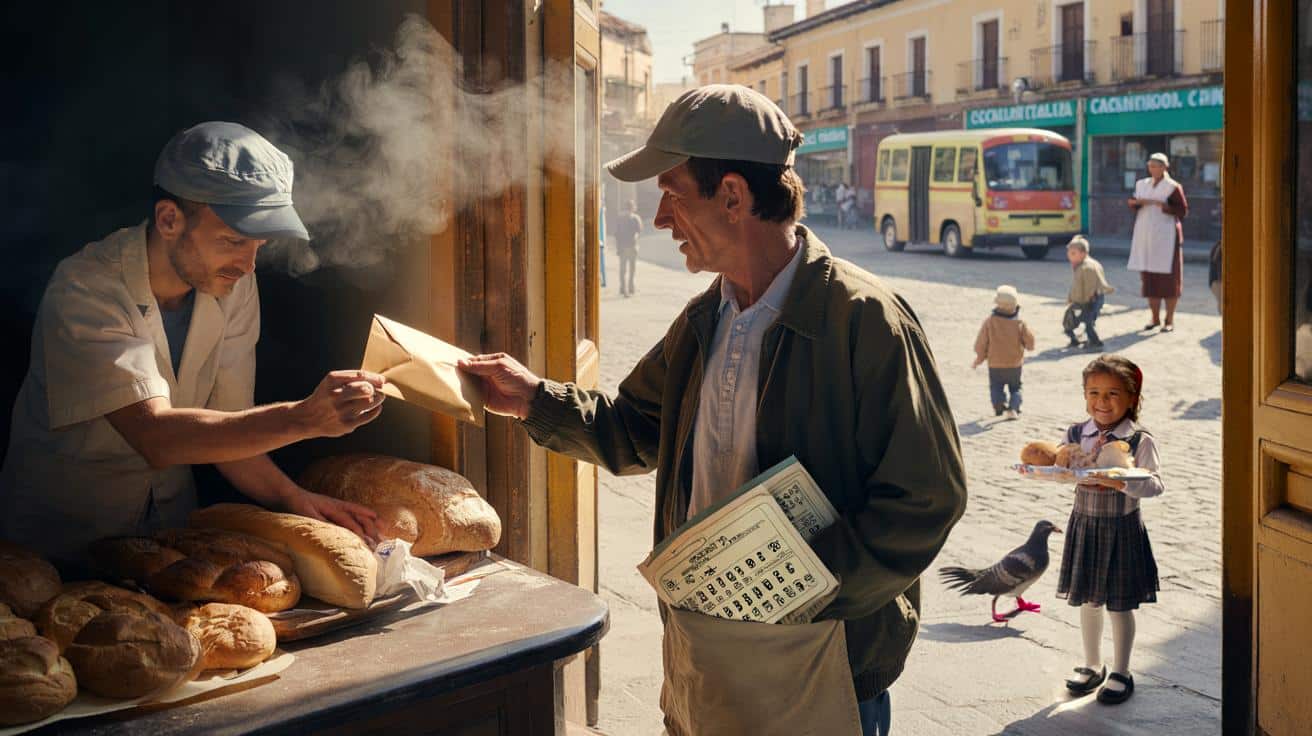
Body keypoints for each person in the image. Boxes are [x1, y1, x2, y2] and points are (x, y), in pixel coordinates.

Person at [458, 84, 967, 736]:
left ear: (732, 195)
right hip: (703, 653)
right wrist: (534, 398)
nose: (660, 218)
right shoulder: (703, 319)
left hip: (819, 657)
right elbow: (633, 430)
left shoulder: (863, 320)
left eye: (672, 194)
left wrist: (804, 591)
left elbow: (926, 498)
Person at [0, 122, 384, 570]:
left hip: (169, 542)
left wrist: (293, 498)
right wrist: (302, 418)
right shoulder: (85, 288)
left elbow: (232, 428)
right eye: (233, 240)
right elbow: (156, 438)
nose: (248, 264)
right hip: (60, 547)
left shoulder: (232, 282)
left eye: (258, 244)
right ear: (169, 220)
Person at [1041, 355, 1163, 706]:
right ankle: (1093, 664)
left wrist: (1121, 482)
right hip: (1085, 525)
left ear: (1132, 398)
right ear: (1084, 395)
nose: (1102, 402)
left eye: (1112, 393)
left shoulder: (1138, 440)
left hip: (1122, 529)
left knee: (1119, 605)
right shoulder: (1075, 435)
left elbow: (1155, 485)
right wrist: (1058, 470)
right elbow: (1062, 472)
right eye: (1093, 392)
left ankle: (1121, 671)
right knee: (1089, 600)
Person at [1126, 152, 1188, 333]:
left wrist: (1165, 207)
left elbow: (1182, 210)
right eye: (1150, 166)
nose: (1152, 169)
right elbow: (1133, 202)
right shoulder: (1142, 184)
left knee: (1169, 281)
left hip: (1167, 237)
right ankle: (1154, 317)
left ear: (1164, 167)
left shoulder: (1172, 187)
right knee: (1150, 280)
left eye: (1156, 166)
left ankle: (1169, 319)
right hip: (1146, 236)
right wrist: (1137, 203)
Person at [972, 285, 1035, 420]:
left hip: (995, 364)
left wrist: (979, 357)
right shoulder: (1019, 323)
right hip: (1014, 364)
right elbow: (1030, 342)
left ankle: (998, 404)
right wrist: (1029, 346)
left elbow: (982, 342)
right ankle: (1013, 408)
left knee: (996, 386)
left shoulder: (990, 322)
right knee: (1016, 388)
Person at [1065, 235, 1115, 350]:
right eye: (1069, 253)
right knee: (1070, 321)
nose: (1069, 256)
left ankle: (1095, 342)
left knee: (1088, 323)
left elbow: (1090, 287)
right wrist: (1071, 298)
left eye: (1073, 253)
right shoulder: (1081, 265)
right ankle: (1075, 340)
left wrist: (1086, 302)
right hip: (1084, 300)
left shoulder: (1088, 267)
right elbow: (1077, 286)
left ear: (1083, 253)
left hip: (1091, 300)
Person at [614, 200, 643, 297]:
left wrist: (618, 247)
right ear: (633, 208)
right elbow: (638, 232)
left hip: (623, 247)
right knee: (631, 269)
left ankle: (623, 288)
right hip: (632, 246)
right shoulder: (636, 218)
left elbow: (616, 234)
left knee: (623, 270)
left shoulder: (620, 218)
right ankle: (630, 288)